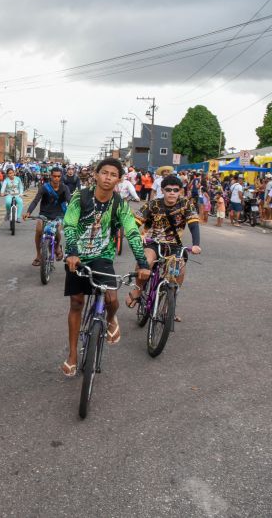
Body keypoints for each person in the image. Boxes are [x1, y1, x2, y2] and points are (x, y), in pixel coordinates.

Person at [61, 158, 150, 377]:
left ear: (119, 179)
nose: (108, 178)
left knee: (111, 299)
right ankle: (72, 354)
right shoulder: (80, 196)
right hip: (77, 256)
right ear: (96, 175)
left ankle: (110, 319)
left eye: (113, 175)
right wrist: (71, 252)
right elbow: (70, 224)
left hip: (102, 256)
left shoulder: (120, 204)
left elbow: (132, 232)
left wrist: (143, 262)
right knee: (76, 302)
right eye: (104, 173)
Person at [125, 174, 202, 321]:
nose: (172, 193)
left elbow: (194, 225)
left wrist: (196, 244)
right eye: (168, 190)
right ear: (162, 190)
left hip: (174, 245)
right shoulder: (152, 204)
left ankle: (168, 306)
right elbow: (135, 223)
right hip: (153, 242)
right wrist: (135, 234)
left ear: (180, 191)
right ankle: (138, 289)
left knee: (179, 271)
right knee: (146, 261)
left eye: (175, 190)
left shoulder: (186, 204)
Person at [24, 167, 71, 266]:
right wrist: (28, 212)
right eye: (54, 176)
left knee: (57, 231)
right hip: (44, 214)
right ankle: (38, 255)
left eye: (59, 176)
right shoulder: (44, 187)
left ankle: (57, 248)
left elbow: (69, 201)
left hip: (59, 214)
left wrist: (74, 214)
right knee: (39, 230)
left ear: (61, 177)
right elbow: (36, 201)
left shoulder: (65, 188)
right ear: (51, 176)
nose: (56, 178)